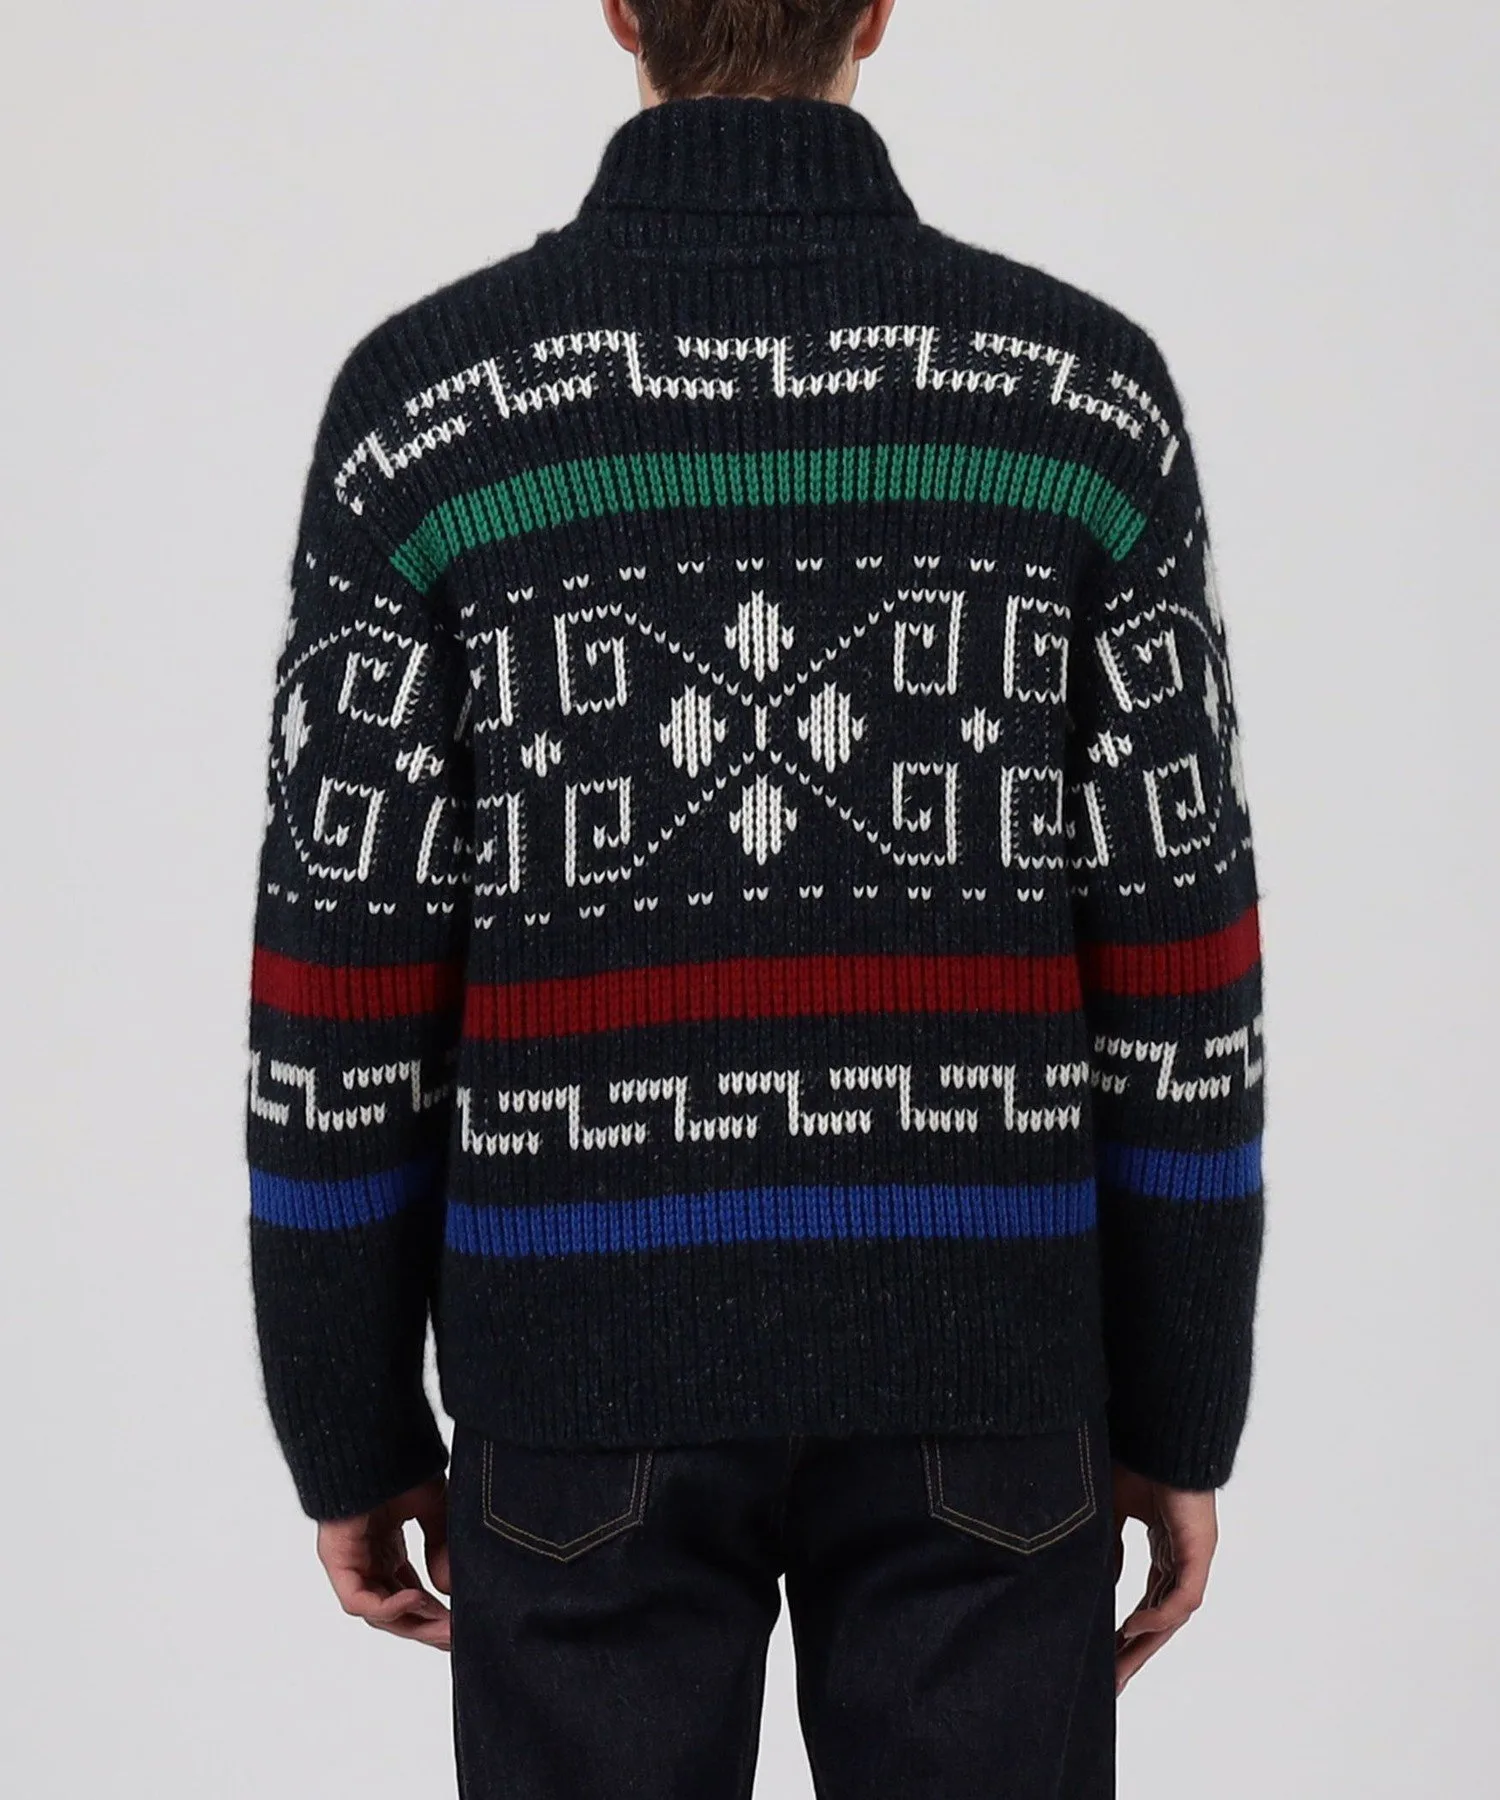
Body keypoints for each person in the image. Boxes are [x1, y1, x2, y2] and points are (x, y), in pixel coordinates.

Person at [244, 2, 1267, 1793]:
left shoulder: (431, 410)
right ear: (875, 12)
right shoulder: (1077, 398)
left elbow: (343, 966)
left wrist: (346, 1421)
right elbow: (1181, 950)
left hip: (579, 1360)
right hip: (985, 1354)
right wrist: (1182, 1405)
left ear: (619, 10)